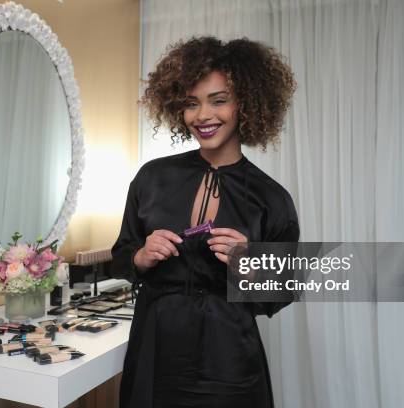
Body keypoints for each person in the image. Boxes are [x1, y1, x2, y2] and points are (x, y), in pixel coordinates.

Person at [111, 36, 299, 408]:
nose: (203, 116)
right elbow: (121, 255)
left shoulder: (271, 198)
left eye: (219, 100)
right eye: (191, 104)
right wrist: (142, 257)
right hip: (156, 350)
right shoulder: (152, 177)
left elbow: (281, 293)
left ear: (245, 104)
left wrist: (248, 267)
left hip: (228, 359)